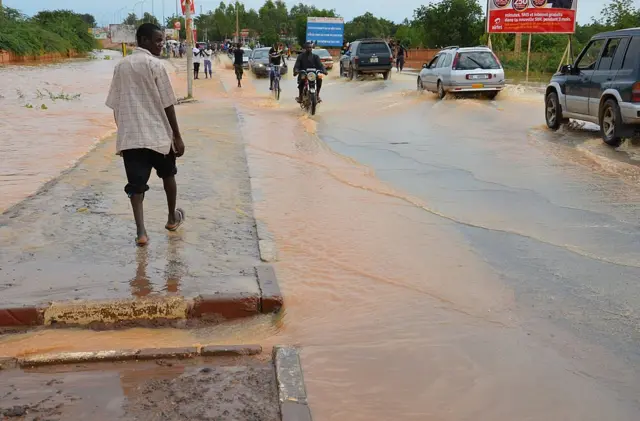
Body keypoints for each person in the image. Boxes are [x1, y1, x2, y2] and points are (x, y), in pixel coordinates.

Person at [105, 23, 185, 247]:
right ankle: (171, 219)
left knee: (136, 186)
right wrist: (177, 136)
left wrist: (123, 130)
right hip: (159, 135)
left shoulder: (121, 66)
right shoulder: (155, 65)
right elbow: (168, 103)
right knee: (168, 175)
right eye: (158, 40)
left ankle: (141, 232)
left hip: (132, 138)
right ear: (144, 40)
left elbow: (115, 104)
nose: (162, 44)